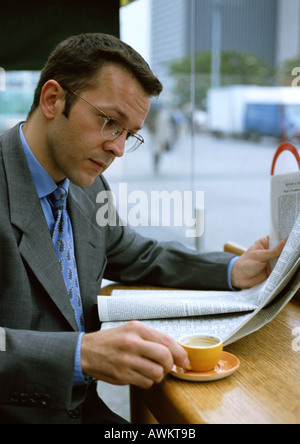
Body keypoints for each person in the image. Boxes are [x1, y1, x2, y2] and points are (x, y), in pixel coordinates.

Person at [0, 33, 285, 424]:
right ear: (53, 100)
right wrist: (81, 354)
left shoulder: (87, 186)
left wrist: (232, 270)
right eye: (109, 122)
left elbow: (138, 254)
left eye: (128, 134)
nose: (118, 148)